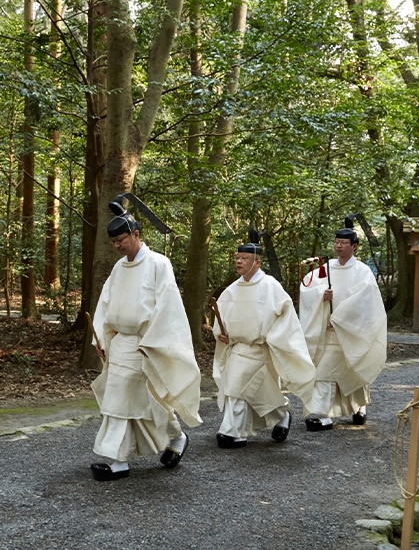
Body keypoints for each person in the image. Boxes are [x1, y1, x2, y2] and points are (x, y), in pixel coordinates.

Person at [89, 202, 202, 481]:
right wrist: (103, 337)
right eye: (113, 241)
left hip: (145, 343)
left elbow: (168, 306)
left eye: (122, 240)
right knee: (138, 401)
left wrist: (153, 341)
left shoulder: (159, 264)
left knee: (125, 398)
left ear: (137, 235)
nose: (117, 246)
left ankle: (118, 461)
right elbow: (106, 304)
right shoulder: (118, 268)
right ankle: (175, 438)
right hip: (121, 343)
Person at [211, 232, 316, 449]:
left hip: (260, 349)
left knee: (238, 387)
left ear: (257, 262)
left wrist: (274, 338)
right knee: (250, 390)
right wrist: (221, 334)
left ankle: (232, 431)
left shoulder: (271, 286)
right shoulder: (232, 290)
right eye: (237, 257)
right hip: (237, 348)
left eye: (244, 258)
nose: (239, 261)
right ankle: (279, 417)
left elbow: (286, 317)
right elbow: (221, 318)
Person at [298, 216, 388, 431]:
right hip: (328, 331)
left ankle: (359, 407)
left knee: (353, 368)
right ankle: (321, 414)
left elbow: (365, 302)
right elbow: (307, 286)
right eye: (336, 242)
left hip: (350, 331)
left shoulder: (363, 272)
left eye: (343, 243)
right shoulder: (326, 268)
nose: (338, 246)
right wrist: (321, 294)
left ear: (354, 246)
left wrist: (340, 319)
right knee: (324, 370)